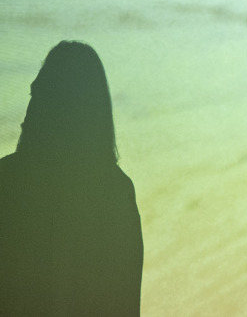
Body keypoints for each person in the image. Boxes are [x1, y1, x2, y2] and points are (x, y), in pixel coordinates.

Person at [0, 41, 144, 317]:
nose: (26, 115)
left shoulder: (7, 183)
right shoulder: (116, 193)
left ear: (63, 109)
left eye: (41, 97)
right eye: (33, 95)